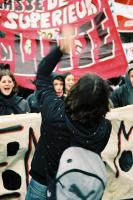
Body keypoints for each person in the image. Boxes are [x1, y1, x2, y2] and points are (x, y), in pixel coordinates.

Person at [25, 27, 112, 200]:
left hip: (43, 184)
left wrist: (60, 50)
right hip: (78, 190)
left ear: (75, 93)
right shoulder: (104, 128)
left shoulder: (54, 113)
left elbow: (42, 75)